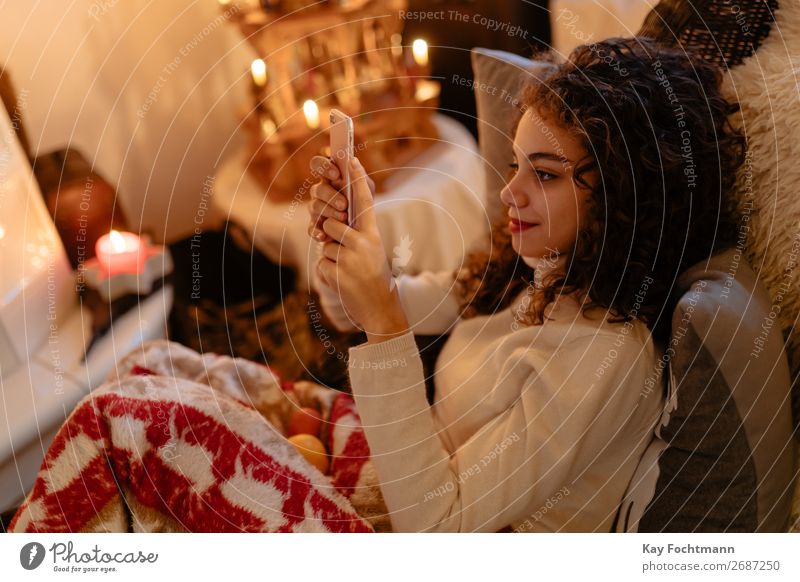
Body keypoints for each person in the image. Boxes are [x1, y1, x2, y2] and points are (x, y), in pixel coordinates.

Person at [307, 37, 745, 532]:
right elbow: (364, 308)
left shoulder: (602, 355)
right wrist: (346, 254)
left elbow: (437, 528)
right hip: (403, 475)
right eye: (516, 166)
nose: (508, 192)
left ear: (624, 192)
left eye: (545, 175)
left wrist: (385, 325)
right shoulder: (538, 270)